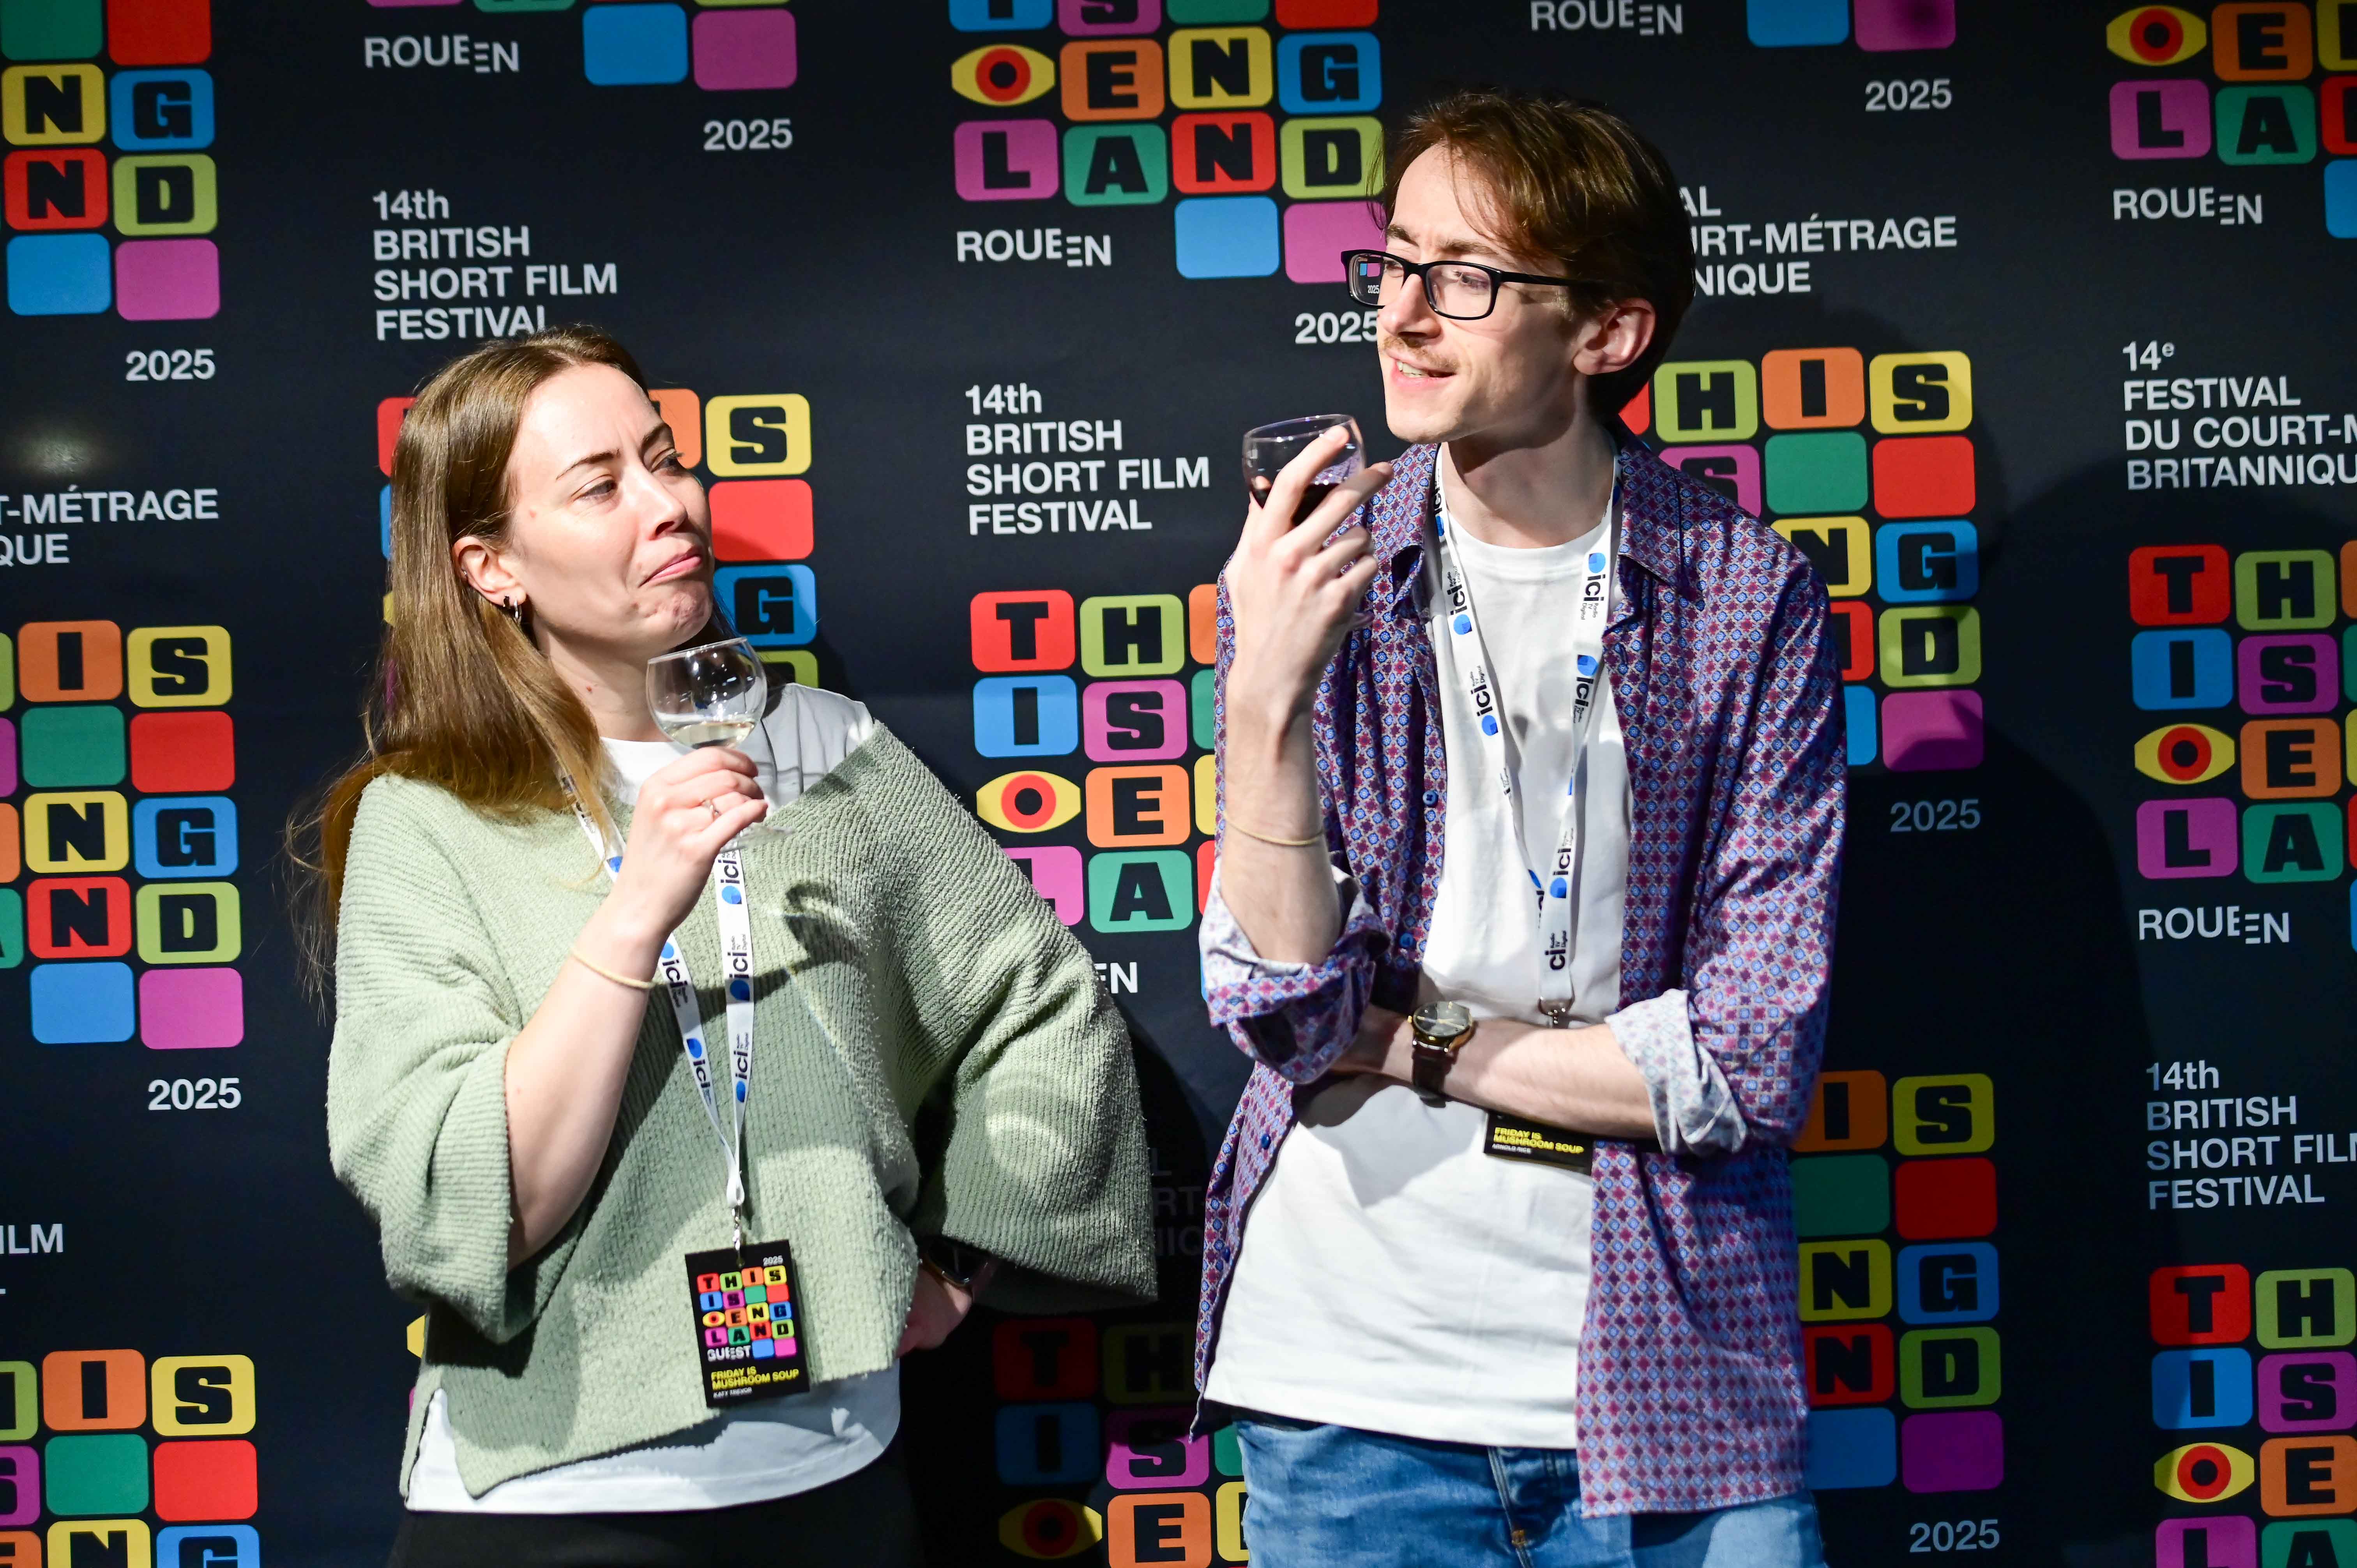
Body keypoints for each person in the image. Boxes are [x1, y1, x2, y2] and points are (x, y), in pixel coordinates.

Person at [302, 328, 1154, 1568]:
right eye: (600, 486)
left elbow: (1038, 1005)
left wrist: (961, 1257)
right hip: (554, 1501)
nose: (669, 505)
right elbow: (478, 1207)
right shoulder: (427, 815)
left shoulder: (827, 750)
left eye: (665, 460)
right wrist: (634, 912)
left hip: (838, 1477)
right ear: (492, 566)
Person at [1196, 91, 1845, 1566]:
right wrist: (1267, 700)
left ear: (1608, 332)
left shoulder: (1745, 597)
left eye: (1467, 278)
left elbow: (1748, 1058)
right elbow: (1284, 1004)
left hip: (1670, 1367)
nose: (1404, 315)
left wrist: (1406, 1040)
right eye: (1395, 263)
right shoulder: (1317, 567)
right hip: (1351, 1384)